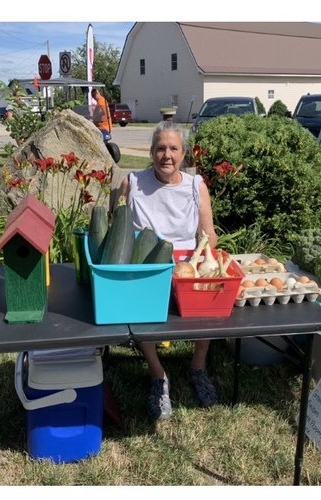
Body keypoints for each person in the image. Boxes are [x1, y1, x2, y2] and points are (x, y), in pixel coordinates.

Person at [115, 121, 219, 420]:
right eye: (160, 148)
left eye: (173, 148)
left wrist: (203, 257)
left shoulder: (195, 187)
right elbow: (116, 226)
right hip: (146, 265)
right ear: (151, 152)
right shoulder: (132, 183)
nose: (166, 155)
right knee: (141, 306)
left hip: (187, 264)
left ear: (183, 154)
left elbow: (208, 233)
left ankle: (198, 366)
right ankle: (158, 374)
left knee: (209, 301)